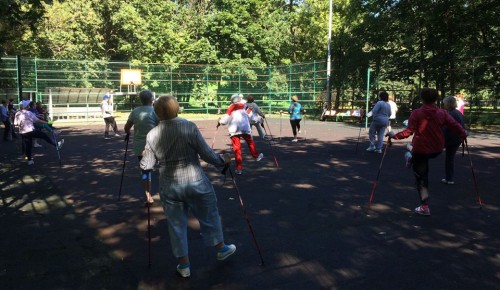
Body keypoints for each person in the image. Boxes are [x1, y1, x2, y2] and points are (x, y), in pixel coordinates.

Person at [140, 95, 236, 278]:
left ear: (157, 113)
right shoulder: (188, 126)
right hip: (196, 181)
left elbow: (147, 165)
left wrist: (145, 157)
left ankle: (184, 265)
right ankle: (221, 248)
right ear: (177, 108)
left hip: (169, 186)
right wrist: (222, 161)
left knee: (176, 226)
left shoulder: (152, 134)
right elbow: (206, 153)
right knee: (209, 215)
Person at [386, 88, 466, 216]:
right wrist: (463, 133)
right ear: (436, 99)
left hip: (421, 149)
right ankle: (411, 158)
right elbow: (455, 125)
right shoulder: (443, 113)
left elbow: (408, 132)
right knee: (416, 154)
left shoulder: (417, 113)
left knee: (422, 178)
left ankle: (424, 206)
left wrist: (393, 136)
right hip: (437, 149)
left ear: (422, 98)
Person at [124, 90, 159, 205]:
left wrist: (128, 133)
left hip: (140, 147)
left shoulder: (135, 111)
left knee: (145, 171)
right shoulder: (156, 111)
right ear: (152, 99)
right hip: (155, 145)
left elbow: (126, 127)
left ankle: (148, 196)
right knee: (162, 169)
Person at [218, 94, 264, 175]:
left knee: (237, 149)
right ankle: (256, 156)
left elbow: (225, 120)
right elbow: (252, 115)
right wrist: (259, 120)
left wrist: (220, 121)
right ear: (239, 99)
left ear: (232, 100)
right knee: (250, 142)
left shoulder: (231, 107)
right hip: (245, 128)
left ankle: (239, 169)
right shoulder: (244, 106)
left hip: (234, 131)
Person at [14, 100, 64, 165]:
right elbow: (37, 120)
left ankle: (29, 160)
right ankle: (57, 145)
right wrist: (48, 122)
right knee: (44, 136)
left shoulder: (17, 113)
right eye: (28, 105)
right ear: (26, 106)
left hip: (23, 132)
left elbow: (15, 124)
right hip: (30, 130)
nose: (29, 106)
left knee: (28, 145)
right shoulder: (29, 113)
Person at [441, 96, 465, 185]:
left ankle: (449, 178)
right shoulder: (458, 113)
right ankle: (449, 178)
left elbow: (446, 128)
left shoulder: (450, 114)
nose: (444, 105)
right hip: (457, 138)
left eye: (444, 104)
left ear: (448, 104)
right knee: (449, 158)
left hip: (452, 139)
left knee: (449, 158)